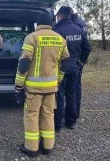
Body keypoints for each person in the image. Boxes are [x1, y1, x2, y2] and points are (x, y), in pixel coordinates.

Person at [15, 13, 69, 157]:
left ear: (37, 24)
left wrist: (18, 85)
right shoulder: (60, 39)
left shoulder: (31, 38)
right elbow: (65, 63)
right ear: (51, 23)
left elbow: (24, 64)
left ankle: (32, 148)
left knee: (31, 115)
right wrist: (58, 80)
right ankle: (48, 146)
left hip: (33, 89)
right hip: (51, 88)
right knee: (48, 115)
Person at [53, 6, 92, 132]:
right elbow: (87, 48)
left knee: (59, 94)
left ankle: (57, 124)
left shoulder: (57, 30)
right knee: (71, 93)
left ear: (60, 15)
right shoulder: (78, 29)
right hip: (75, 65)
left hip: (61, 66)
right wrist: (81, 62)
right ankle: (71, 121)